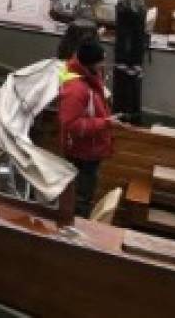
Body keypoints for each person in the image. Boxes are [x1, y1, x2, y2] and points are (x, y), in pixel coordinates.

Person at [58, 39, 116, 218]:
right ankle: (74, 227)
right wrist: (105, 123)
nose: (103, 65)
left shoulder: (89, 77)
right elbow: (70, 124)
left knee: (86, 189)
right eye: (101, 61)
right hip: (82, 152)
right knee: (81, 196)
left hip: (91, 149)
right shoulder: (76, 90)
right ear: (90, 64)